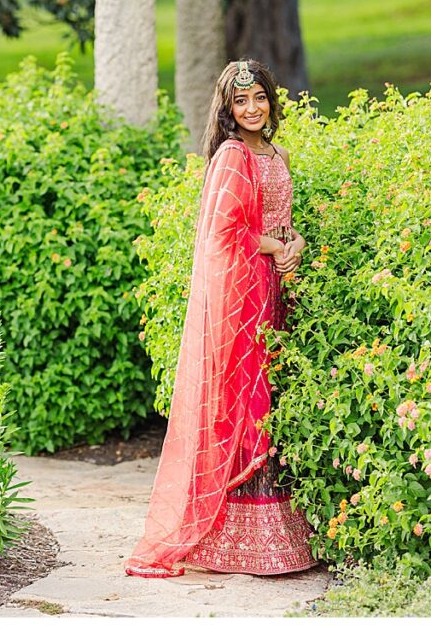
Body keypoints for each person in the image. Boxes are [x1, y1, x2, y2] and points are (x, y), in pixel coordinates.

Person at [125, 59, 317, 578]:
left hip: (277, 293)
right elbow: (221, 236)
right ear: (228, 109)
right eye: (242, 101)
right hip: (243, 297)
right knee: (244, 403)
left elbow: (283, 220)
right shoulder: (233, 156)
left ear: (273, 101)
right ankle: (231, 537)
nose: (253, 108)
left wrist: (293, 243)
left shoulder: (276, 154)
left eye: (260, 98)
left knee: (274, 401)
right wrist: (274, 244)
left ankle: (278, 533)